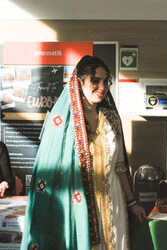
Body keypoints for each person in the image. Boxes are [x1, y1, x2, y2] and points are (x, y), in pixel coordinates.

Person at [21, 55, 146, 249]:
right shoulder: (63, 120)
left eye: (106, 81)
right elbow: (51, 167)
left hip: (113, 201)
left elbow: (120, 166)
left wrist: (131, 203)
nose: (102, 87)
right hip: (77, 203)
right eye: (95, 81)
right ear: (79, 82)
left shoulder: (111, 118)